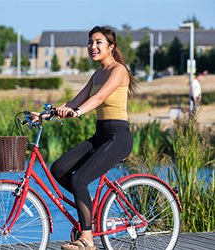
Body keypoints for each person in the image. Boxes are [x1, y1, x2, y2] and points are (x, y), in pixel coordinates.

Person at [33, 26, 138, 250]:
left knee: (79, 179)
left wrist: (78, 113)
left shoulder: (118, 70)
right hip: (100, 136)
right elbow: (75, 101)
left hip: (118, 138)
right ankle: (90, 209)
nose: (93, 46)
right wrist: (44, 115)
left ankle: (87, 239)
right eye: (90, 42)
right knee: (59, 169)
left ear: (111, 47)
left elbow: (99, 98)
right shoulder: (96, 74)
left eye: (99, 42)